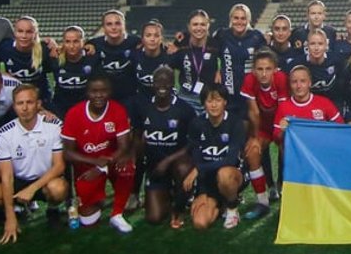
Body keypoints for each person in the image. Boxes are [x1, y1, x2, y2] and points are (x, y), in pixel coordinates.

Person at [0, 84, 69, 243]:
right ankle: (14, 211)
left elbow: (59, 166)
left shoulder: (54, 126)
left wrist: (32, 189)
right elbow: (7, 176)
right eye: (20, 103)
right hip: (18, 180)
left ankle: (53, 210)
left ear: (38, 104)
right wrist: (10, 217)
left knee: (58, 188)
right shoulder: (3, 134)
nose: (24, 108)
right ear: (14, 106)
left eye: (29, 102)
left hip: (45, 180)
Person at [60, 76, 134, 233]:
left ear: (110, 92)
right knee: (88, 220)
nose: (99, 95)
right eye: (94, 91)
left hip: (111, 161)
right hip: (86, 167)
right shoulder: (74, 113)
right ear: (87, 92)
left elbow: (124, 146)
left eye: (103, 91)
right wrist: (94, 162)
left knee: (127, 167)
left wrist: (103, 166)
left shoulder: (118, 110)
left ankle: (117, 213)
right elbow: (67, 153)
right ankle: (96, 199)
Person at [127, 66, 195, 228]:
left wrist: (168, 161)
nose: (162, 86)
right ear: (153, 83)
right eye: (158, 82)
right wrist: (136, 158)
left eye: (167, 82)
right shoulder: (144, 108)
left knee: (183, 168)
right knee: (154, 218)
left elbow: (193, 142)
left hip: (178, 162)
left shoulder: (184, 109)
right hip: (155, 167)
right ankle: (167, 194)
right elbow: (137, 136)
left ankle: (180, 205)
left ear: (173, 84)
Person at [182, 84, 248, 230]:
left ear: (225, 102)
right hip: (208, 180)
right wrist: (202, 192)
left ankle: (232, 208)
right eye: (209, 101)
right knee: (200, 223)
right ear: (203, 103)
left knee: (224, 174)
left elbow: (231, 160)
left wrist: (199, 169)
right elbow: (197, 157)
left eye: (218, 100)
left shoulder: (235, 123)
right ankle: (220, 205)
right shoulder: (197, 124)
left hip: (232, 175)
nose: (213, 105)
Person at [240, 49, 288, 219]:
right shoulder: (249, 80)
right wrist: (254, 138)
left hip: (280, 122)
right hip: (262, 125)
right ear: (253, 70)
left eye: (268, 69)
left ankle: (286, 195)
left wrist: (278, 134)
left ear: (275, 69)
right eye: (259, 69)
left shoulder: (281, 79)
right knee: (252, 152)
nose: (264, 73)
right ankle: (262, 202)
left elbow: (283, 109)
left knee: (287, 153)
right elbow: (253, 112)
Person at [272, 66, 344, 152]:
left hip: (321, 151)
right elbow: (276, 140)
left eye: (303, 81)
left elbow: (341, 127)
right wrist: (282, 130)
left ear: (309, 83)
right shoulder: (283, 107)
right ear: (290, 85)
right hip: (296, 153)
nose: (298, 86)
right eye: (294, 82)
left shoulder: (324, 102)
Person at [216, 3, 268, 116]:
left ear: (248, 20)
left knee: (248, 122)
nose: (239, 21)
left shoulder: (256, 36)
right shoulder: (222, 35)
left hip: (249, 91)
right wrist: (217, 69)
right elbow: (209, 50)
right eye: (236, 18)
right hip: (228, 90)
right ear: (231, 19)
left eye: (243, 18)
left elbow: (266, 59)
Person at [87, 9, 141, 103]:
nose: (113, 27)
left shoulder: (136, 42)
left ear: (124, 25)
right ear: (103, 27)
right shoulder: (94, 44)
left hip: (130, 98)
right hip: (104, 99)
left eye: (118, 23)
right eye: (109, 24)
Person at [0, 16, 54, 103]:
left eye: (29, 32)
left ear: (35, 33)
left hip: (41, 98)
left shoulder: (45, 49)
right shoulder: (5, 48)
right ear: (14, 33)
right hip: (14, 98)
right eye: (20, 31)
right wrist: (2, 74)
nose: (24, 36)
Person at [172, 10, 219, 102]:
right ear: (189, 26)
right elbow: (170, 66)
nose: (199, 28)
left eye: (203, 24)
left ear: (208, 25)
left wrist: (220, 70)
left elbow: (226, 59)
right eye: (195, 24)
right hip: (185, 97)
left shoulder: (215, 44)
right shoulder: (181, 44)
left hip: (208, 99)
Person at [50, 26, 97, 117]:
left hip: (86, 110)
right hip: (60, 110)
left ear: (83, 42)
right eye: (67, 41)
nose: (71, 46)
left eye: (76, 41)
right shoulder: (55, 58)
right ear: (63, 43)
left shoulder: (92, 58)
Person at [298, 28, 341, 107]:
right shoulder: (298, 63)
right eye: (312, 44)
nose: (316, 48)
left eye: (320, 44)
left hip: (331, 103)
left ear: (326, 45)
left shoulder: (336, 60)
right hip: (307, 105)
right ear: (307, 45)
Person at [131, 19, 173, 93]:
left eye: (156, 36)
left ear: (161, 38)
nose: (152, 39)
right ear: (142, 39)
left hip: (164, 97)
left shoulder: (170, 54)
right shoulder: (134, 55)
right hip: (141, 97)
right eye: (148, 35)